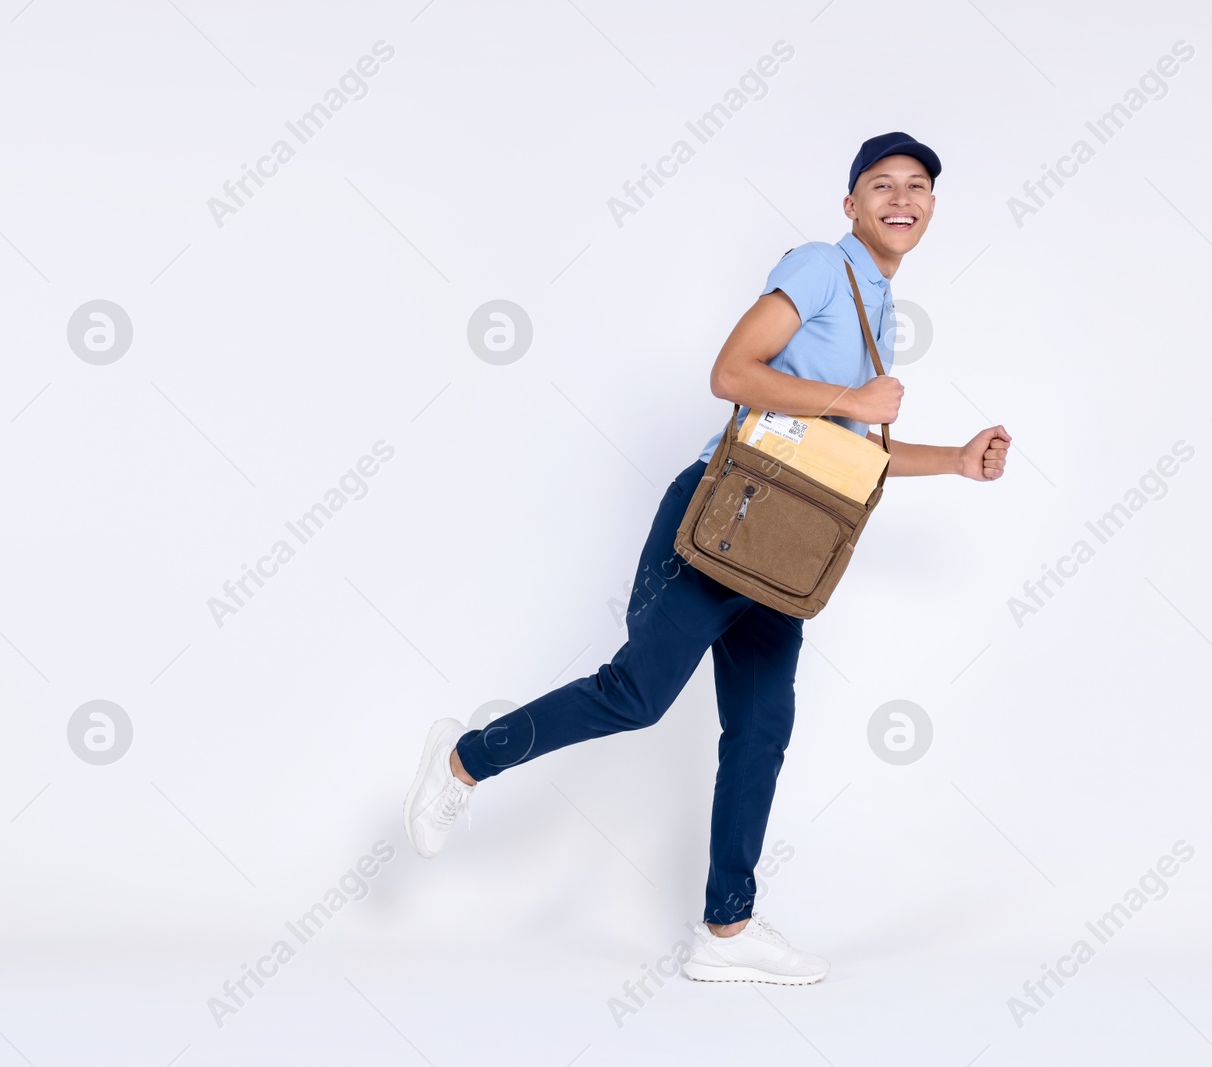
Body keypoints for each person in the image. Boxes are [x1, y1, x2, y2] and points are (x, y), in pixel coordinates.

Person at [403, 131, 1011, 985]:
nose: (901, 198)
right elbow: (731, 372)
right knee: (636, 695)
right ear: (851, 204)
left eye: (917, 187)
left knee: (761, 730)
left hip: (792, 539)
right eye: (881, 185)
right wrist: (851, 398)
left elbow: (847, 446)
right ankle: (466, 755)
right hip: (727, 515)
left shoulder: (880, 306)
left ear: (933, 207)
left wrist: (953, 457)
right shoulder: (818, 267)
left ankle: (726, 932)